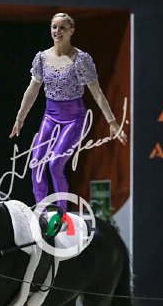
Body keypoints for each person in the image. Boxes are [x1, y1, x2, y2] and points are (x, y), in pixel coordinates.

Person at [9, 12, 127, 212]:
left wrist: (112, 122)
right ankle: (41, 212)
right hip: (50, 117)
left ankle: (61, 213)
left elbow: (97, 93)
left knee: (55, 164)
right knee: (36, 164)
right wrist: (20, 118)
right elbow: (32, 90)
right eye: (54, 27)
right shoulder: (42, 58)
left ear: (72, 31)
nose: (57, 31)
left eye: (62, 28)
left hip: (74, 119)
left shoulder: (81, 59)